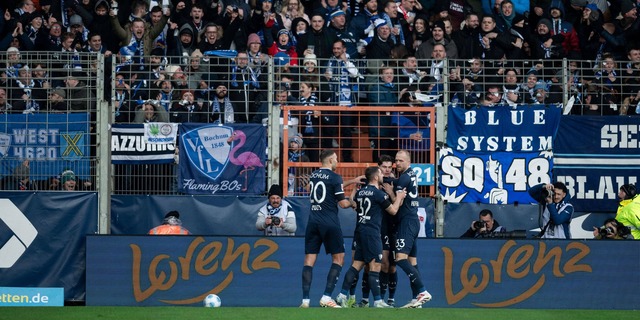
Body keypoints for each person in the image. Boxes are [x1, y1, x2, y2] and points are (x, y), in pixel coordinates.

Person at [335, 166, 406, 308]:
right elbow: (393, 211)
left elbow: (352, 203)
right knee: (375, 266)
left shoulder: (361, 192)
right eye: (380, 173)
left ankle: (342, 295)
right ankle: (378, 301)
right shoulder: (378, 194)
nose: (382, 175)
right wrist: (399, 198)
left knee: (357, 265)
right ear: (375, 177)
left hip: (360, 231)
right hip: (372, 233)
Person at [300, 149, 357, 308]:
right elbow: (343, 203)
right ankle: (326, 297)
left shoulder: (313, 176)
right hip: (329, 222)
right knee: (338, 259)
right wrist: (353, 202)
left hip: (313, 222)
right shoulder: (335, 177)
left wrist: (352, 181)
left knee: (309, 261)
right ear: (331, 160)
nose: (337, 161)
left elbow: (315, 190)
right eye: (336, 159)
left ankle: (305, 300)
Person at [393, 150, 432, 308]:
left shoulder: (403, 178)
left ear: (408, 161)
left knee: (400, 258)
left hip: (406, 222)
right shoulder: (412, 174)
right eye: (396, 160)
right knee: (412, 262)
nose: (397, 164)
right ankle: (417, 298)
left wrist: (390, 192)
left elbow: (399, 202)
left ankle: (422, 291)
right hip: (414, 220)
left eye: (401, 160)